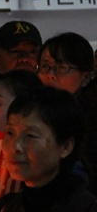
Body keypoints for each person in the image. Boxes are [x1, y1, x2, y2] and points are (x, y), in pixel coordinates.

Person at [37, 32, 96, 193]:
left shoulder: (91, 119)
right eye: (45, 66)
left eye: (62, 68)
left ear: (87, 76)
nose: (50, 75)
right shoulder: (31, 111)